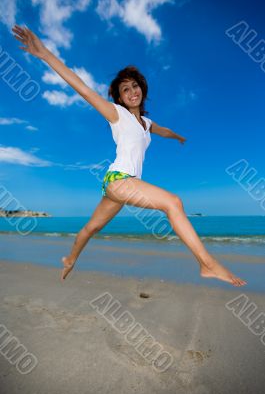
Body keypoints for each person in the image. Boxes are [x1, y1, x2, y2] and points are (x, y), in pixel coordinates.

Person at [12, 24, 247, 287]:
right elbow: (83, 88)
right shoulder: (117, 114)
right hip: (118, 179)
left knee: (91, 228)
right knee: (173, 202)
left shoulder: (146, 123)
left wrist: (178, 137)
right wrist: (43, 53)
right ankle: (207, 264)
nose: (132, 91)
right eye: (125, 90)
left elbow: (163, 130)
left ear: (142, 89)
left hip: (121, 186)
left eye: (135, 86)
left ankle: (69, 259)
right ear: (120, 98)